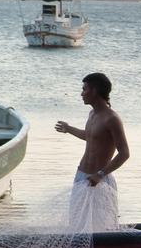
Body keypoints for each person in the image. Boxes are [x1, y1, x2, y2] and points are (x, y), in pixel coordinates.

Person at [55, 72, 130, 231]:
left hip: (100, 180)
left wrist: (100, 174)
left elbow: (124, 153)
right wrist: (68, 129)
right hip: (82, 176)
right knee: (77, 225)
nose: (81, 93)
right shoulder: (92, 114)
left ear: (95, 91)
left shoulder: (112, 119)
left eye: (84, 89)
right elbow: (90, 136)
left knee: (102, 228)